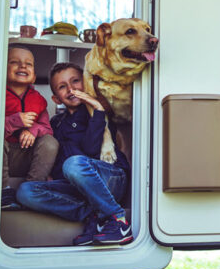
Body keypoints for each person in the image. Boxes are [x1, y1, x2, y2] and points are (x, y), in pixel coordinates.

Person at [16, 62, 133, 245]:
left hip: (109, 178)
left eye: (76, 81)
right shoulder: (56, 123)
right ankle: (94, 216)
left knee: (73, 163)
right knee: (25, 191)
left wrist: (98, 108)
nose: (71, 89)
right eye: (62, 87)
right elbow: (54, 154)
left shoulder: (99, 112)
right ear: (56, 99)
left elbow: (91, 150)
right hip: (76, 186)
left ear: (86, 83)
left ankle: (117, 219)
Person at [2, 47, 58, 209]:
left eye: (28, 64)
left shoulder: (38, 100)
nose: (22, 66)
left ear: (33, 76)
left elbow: (47, 129)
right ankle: (3, 192)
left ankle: (33, 188)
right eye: (14, 62)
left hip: (27, 157)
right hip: (1, 158)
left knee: (50, 142)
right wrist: (15, 121)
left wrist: (33, 130)